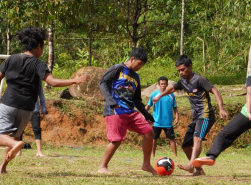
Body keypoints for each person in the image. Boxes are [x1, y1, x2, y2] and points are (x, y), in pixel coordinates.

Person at [0, 27, 89, 174]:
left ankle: (15, 145)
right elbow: (53, 82)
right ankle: (3, 168)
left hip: (8, 103)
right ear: (38, 46)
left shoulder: (12, 59)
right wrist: (75, 80)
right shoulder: (39, 64)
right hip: (27, 107)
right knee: (14, 137)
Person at [192, 60, 251, 180]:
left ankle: (211, 156)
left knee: (225, 134)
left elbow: (250, 92)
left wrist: (248, 112)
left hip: (248, 115)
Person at [152, 55, 228, 176]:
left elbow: (215, 91)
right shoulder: (182, 81)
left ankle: (191, 165)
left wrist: (221, 108)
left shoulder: (199, 79)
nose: (181, 73)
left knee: (197, 138)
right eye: (179, 71)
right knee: (186, 145)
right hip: (196, 116)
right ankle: (198, 170)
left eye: (183, 69)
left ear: (190, 66)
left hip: (205, 114)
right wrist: (159, 96)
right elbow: (172, 88)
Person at [98, 47, 157, 175]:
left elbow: (137, 100)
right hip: (115, 111)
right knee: (116, 140)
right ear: (132, 59)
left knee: (149, 132)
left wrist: (147, 114)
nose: (140, 66)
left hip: (130, 112)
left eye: (142, 65)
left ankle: (146, 165)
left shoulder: (136, 77)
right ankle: (103, 166)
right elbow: (102, 83)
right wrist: (111, 102)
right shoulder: (118, 68)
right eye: (139, 63)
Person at [145, 76, 179, 158]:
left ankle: (175, 155)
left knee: (172, 139)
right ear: (158, 85)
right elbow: (148, 106)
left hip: (168, 122)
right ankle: (152, 154)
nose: (163, 85)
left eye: (165, 84)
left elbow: (175, 107)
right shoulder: (154, 94)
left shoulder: (171, 95)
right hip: (156, 122)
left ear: (167, 85)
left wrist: (177, 117)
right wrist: (144, 115)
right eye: (161, 84)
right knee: (154, 138)